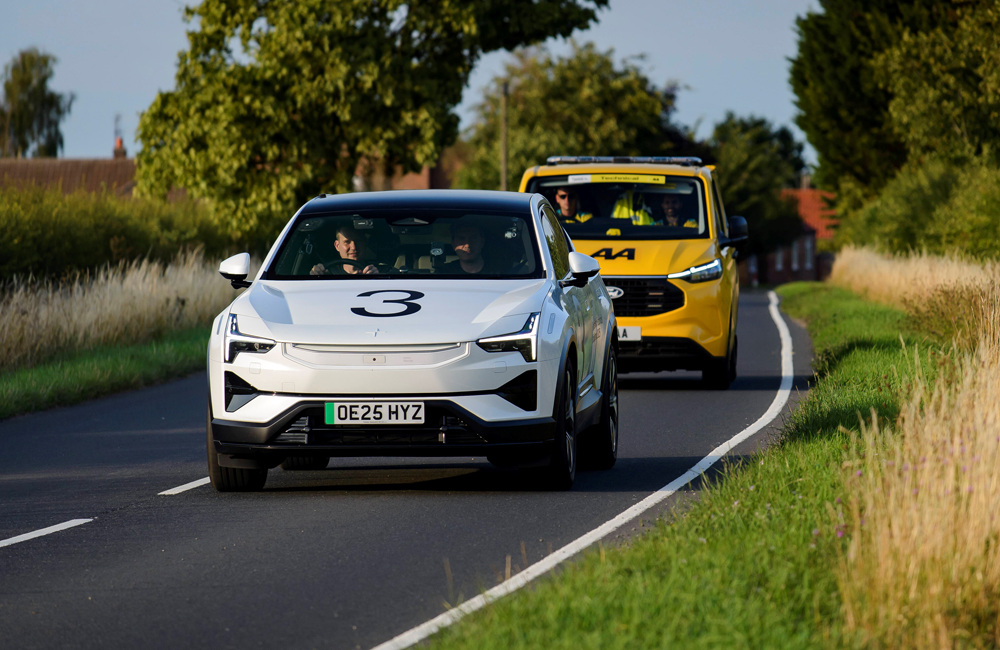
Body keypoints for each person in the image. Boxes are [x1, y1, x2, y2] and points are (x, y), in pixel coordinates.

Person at [310, 225, 380, 275]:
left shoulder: (380, 271)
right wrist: (316, 276)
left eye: (358, 241)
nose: (353, 247)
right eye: (347, 242)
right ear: (337, 246)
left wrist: (377, 278)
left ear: (365, 244)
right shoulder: (328, 273)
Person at [437, 221, 502, 275]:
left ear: (482, 242)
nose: (467, 245)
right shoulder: (443, 273)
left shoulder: (500, 272)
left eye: (473, 238)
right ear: (453, 245)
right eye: (461, 239)